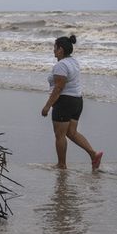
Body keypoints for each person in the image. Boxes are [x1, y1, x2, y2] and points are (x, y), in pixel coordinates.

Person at [41, 34, 103, 170]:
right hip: (77, 101)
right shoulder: (73, 62)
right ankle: (93, 154)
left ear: (60, 50)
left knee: (60, 135)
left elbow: (58, 88)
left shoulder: (61, 65)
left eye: (55, 47)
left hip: (64, 102)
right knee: (71, 132)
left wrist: (47, 106)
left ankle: (61, 164)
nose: (53, 50)